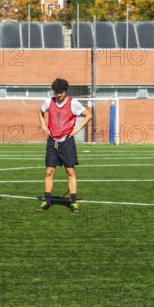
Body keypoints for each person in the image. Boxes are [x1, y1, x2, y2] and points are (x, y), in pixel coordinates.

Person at [37, 78, 92, 213]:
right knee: (49, 171)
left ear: (65, 91)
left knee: (70, 171)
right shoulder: (49, 101)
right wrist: (43, 125)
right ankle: (47, 201)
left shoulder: (73, 103)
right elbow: (40, 112)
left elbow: (88, 115)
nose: (59, 95)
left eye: (61, 92)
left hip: (67, 141)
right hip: (52, 141)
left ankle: (73, 202)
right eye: (56, 92)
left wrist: (77, 129)